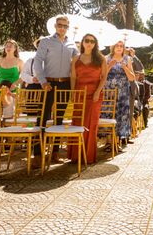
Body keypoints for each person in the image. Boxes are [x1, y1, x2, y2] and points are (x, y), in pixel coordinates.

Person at [33, 15, 79, 162]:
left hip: (65, 84)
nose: (62, 28)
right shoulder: (46, 41)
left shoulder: (72, 44)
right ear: (55, 25)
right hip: (48, 84)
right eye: (60, 25)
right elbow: (38, 61)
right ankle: (38, 154)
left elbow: (79, 61)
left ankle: (55, 153)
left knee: (60, 119)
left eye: (65, 26)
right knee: (43, 118)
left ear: (68, 27)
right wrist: (42, 81)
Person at [69, 33, 107, 164]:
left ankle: (88, 156)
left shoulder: (101, 59)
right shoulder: (76, 58)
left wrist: (98, 92)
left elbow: (104, 78)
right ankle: (75, 155)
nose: (89, 43)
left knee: (91, 124)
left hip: (95, 95)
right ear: (82, 42)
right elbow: (73, 77)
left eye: (92, 41)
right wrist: (73, 92)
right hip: (79, 93)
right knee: (78, 122)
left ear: (95, 44)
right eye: (87, 40)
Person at [105, 40, 136, 149]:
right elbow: (101, 75)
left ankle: (117, 142)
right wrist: (109, 66)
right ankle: (109, 142)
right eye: (117, 46)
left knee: (120, 116)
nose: (119, 48)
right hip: (109, 92)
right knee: (109, 114)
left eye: (121, 46)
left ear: (123, 48)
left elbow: (132, 78)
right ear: (113, 47)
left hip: (123, 93)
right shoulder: (106, 58)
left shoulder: (127, 59)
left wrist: (125, 68)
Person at [0, 39, 23, 121]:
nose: (8, 48)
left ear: (15, 48)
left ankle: (8, 119)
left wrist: (15, 83)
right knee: (1, 95)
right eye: (7, 46)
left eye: (11, 46)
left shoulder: (19, 61)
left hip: (13, 88)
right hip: (0, 87)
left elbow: (23, 77)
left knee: (9, 97)